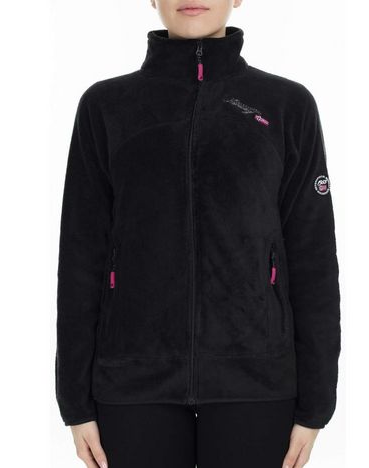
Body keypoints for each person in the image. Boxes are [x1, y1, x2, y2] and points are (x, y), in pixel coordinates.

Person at [55, 1, 341, 467]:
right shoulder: (106, 107)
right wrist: (75, 403)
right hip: (132, 382)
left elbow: (313, 260)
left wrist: (316, 404)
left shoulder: (287, 105)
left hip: (256, 383)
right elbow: (80, 259)